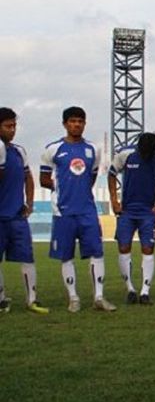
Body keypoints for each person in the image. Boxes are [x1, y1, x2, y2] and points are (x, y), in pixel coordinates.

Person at [40, 106, 116, 313]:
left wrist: (80, 190)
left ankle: (99, 297)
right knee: (66, 255)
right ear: (65, 124)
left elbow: (91, 176)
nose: (76, 125)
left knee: (97, 252)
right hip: (63, 211)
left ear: (85, 123)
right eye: (72, 121)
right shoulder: (53, 149)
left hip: (87, 210)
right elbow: (44, 179)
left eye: (80, 121)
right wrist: (61, 187)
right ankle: (73, 298)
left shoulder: (92, 149)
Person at [108, 132, 155, 305]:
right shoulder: (125, 154)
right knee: (123, 247)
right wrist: (114, 200)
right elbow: (111, 174)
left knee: (148, 249)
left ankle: (145, 291)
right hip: (127, 212)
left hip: (148, 213)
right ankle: (130, 289)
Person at [0, 107, 49, 314]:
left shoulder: (19, 151)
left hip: (17, 216)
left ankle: (32, 299)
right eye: (7, 126)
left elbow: (28, 177)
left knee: (27, 257)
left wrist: (30, 202)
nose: (12, 130)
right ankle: (2, 299)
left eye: (14, 126)